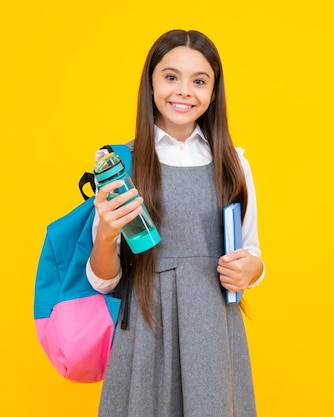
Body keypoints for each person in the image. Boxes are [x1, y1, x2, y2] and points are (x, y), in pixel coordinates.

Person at [86, 29, 265, 417]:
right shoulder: (120, 164)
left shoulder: (235, 164)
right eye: (170, 77)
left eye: (199, 81)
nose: (184, 91)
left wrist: (250, 269)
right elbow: (104, 280)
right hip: (147, 325)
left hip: (214, 329)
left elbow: (251, 253)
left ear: (213, 93)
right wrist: (105, 233)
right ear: (150, 82)